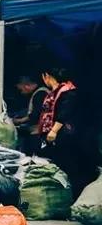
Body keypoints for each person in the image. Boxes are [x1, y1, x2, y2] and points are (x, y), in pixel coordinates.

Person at [38, 68, 96, 196]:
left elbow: (64, 113)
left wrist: (53, 131)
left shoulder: (68, 92)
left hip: (69, 137)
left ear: (46, 76)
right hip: (62, 137)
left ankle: (76, 197)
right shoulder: (56, 92)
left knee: (73, 168)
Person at [12, 75, 48, 155]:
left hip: (39, 133)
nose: (21, 92)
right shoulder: (40, 92)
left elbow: (36, 114)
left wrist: (18, 121)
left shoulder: (40, 94)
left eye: (21, 90)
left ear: (26, 86)